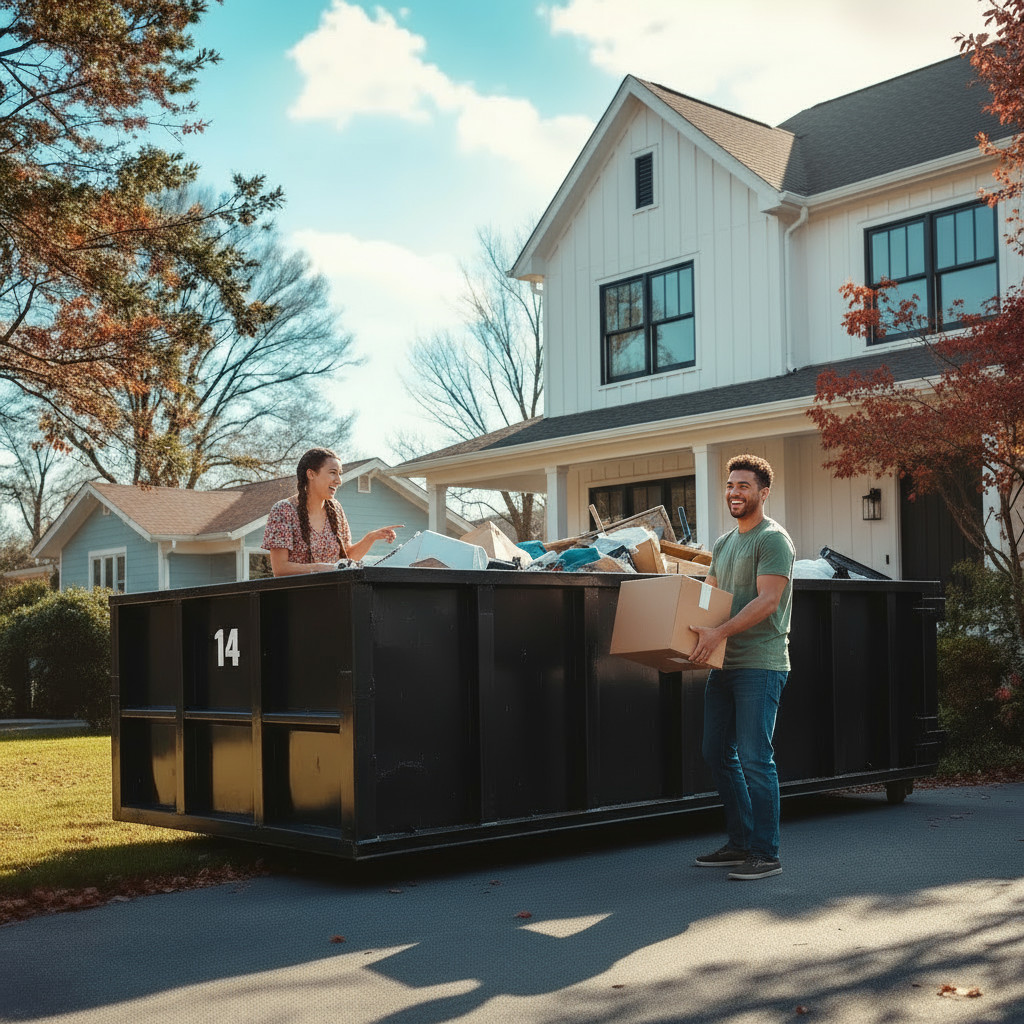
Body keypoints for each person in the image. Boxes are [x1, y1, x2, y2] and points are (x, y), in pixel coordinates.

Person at [689, 453, 795, 881]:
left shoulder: (773, 540)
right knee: (716, 752)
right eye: (731, 485)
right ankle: (739, 843)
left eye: (744, 486)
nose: (734, 492)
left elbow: (767, 600)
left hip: (761, 664)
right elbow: (707, 597)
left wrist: (719, 633)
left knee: (755, 758)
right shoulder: (724, 542)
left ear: (763, 493)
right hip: (724, 663)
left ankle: (766, 853)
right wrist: (683, 634)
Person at [263, 447, 402, 576]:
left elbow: (347, 558)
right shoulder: (283, 510)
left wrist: (371, 538)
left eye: (339, 474)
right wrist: (321, 568)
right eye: (332, 473)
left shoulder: (336, 509)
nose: (339, 481)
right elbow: (280, 569)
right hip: (297, 596)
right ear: (311, 474)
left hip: (336, 594)